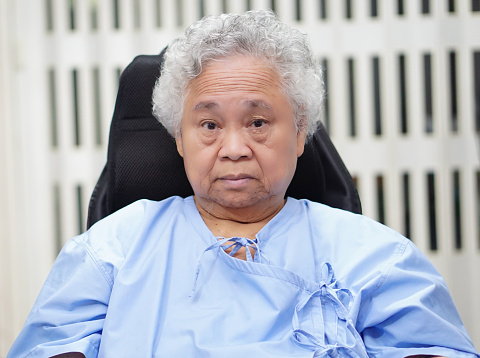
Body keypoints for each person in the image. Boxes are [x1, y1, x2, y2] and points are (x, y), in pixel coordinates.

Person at [8, 9, 479, 358]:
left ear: (299, 133)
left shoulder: (374, 256)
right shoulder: (111, 250)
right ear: (179, 139)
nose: (234, 148)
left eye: (257, 122)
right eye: (209, 126)